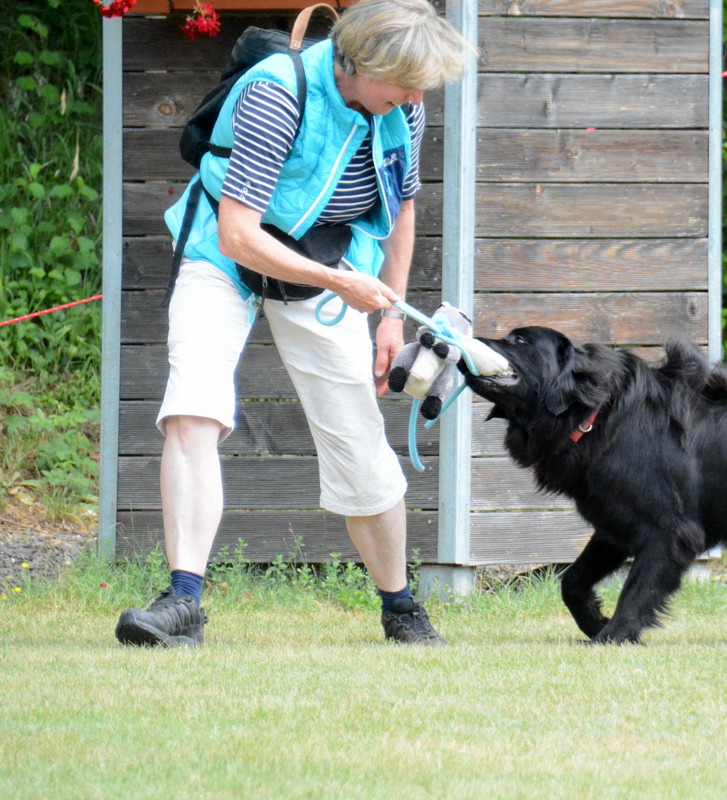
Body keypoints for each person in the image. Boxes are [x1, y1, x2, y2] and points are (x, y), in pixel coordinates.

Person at [115, 0, 471, 647]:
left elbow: (402, 210)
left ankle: (401, 610)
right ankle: (182, 604)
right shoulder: (277, 96)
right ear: (358, 65)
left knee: (357, 435)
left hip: (329, 258)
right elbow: (238, 233)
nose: (418, 95)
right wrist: (343, 284)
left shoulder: (404, 108)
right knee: (193, 406)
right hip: (225, 255)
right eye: (407, 80)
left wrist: (390, 313)